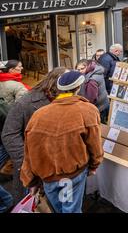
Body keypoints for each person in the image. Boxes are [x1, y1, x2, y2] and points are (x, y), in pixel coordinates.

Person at [20, 71, 103, 213]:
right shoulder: (87, 110)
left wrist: (30, 180)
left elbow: (30, 151)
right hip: (72, 174)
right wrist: (94, 165)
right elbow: (94, 144)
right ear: (78, 87)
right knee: (71, 210)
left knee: (57, 209)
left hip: (47, 176)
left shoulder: (39, 114)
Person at [1, 67, 67, 203]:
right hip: (32, 169)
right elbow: (9, 134)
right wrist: (26, 162)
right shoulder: (26, 102)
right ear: (55, 82)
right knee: (29, 203)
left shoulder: (66, 99)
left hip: (59, 167)